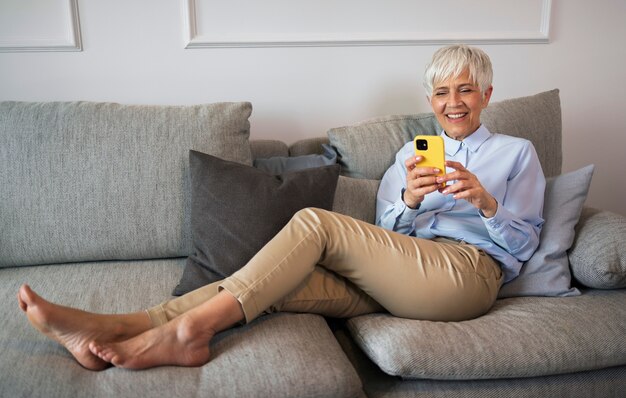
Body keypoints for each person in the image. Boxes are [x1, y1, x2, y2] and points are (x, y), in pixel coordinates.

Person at [17, 45, 545, 371]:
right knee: (271, 279)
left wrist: (488, 204)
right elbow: (385, 227)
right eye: (441, 92)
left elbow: (524, 249)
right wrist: (408, 199)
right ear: (430, 101)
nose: (453, 102)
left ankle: (188, 333)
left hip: (465, 276)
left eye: (466, 90)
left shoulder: (516, 153)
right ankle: (119, 328)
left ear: (487, 94)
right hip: (403, 270)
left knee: (314, 225)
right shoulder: (411, 154)